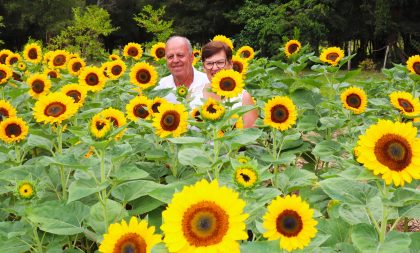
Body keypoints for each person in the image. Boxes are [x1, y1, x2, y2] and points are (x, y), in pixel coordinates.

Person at [201, 41, 258, 128]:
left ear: (230, 64)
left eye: (220, 62)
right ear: (204, 67)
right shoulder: (194, 93)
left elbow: (252, 137)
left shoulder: (243, 97)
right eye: (209, 63)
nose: (215, 68)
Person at [155, 36, 209, 108]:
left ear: (191, 57)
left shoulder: (208, 84)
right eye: (170, 57)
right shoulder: (160, 88)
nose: (175, 60)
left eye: (180, 55)